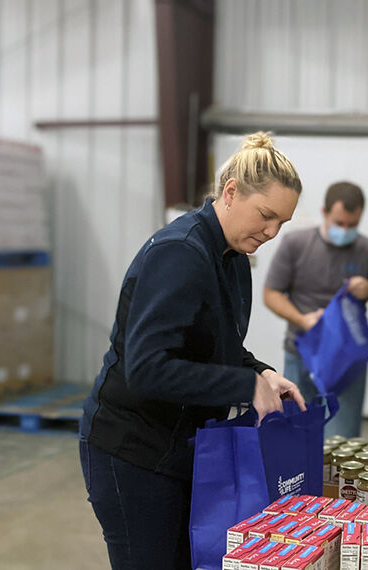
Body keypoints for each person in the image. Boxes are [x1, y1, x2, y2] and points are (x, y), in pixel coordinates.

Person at [79, 132, 306, 569]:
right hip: (133, 451)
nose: (272, 232)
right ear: (231, 192)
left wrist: (261, 372)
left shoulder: (232, 258)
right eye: (266, 216)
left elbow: (218, 345)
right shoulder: (180, 254)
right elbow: (147, 368)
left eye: (282, 222)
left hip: (181, 448)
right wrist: (244, 384)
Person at [263, 181, 368, 438]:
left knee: (342, 439)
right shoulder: (296, 243)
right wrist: (302, 319)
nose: (345, 230)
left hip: (346, 362)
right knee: (297, 436)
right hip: (302, 353)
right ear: (324, 212)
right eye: (339, 223)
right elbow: (271, 294)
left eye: (352, 225)